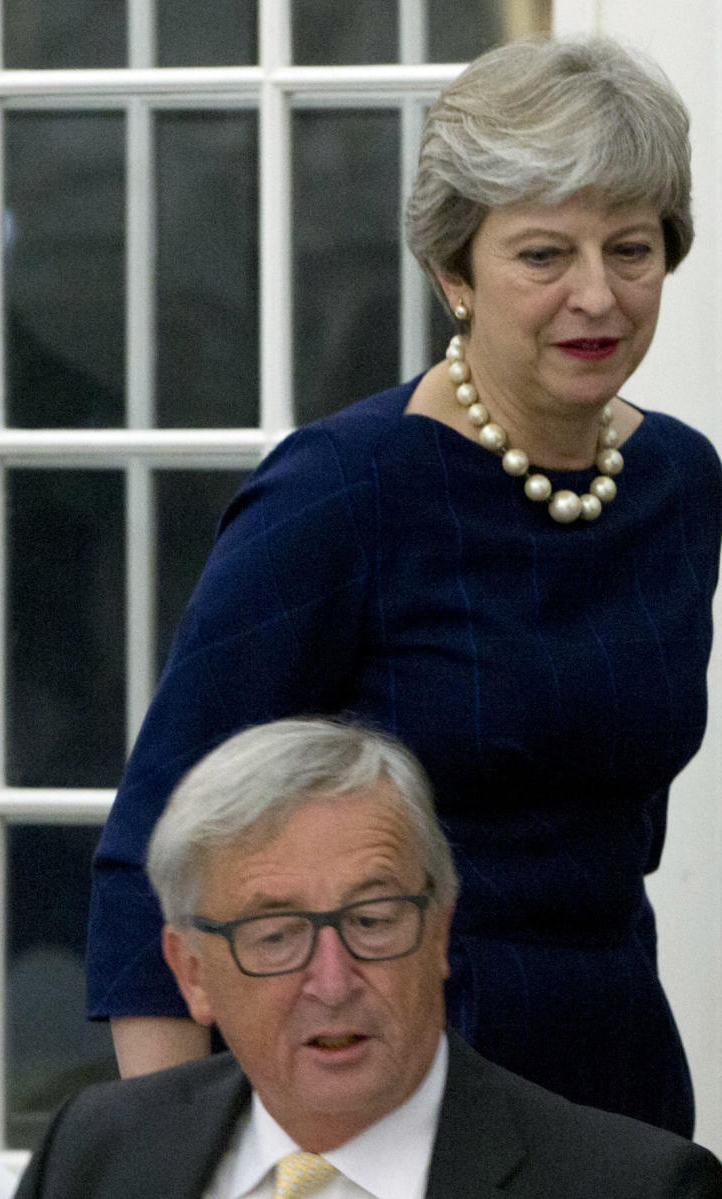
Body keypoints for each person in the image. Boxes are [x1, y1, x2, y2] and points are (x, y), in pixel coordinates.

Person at [85, 35, 722, 1137]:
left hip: (616, 1069)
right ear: (452, 272)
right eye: (541, 255)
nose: (596, 295)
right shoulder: (344, 490)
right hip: (388, 1060)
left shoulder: (676, 479)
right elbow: (157, 840)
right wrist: (168, 1150)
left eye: (630, 248)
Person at [23, 720, 722, 1198]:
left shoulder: (632, 1187)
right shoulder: (95, 1155)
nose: (332, 981)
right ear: (193, 974)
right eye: (276, 936)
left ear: (441, 932)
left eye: (373, 921)